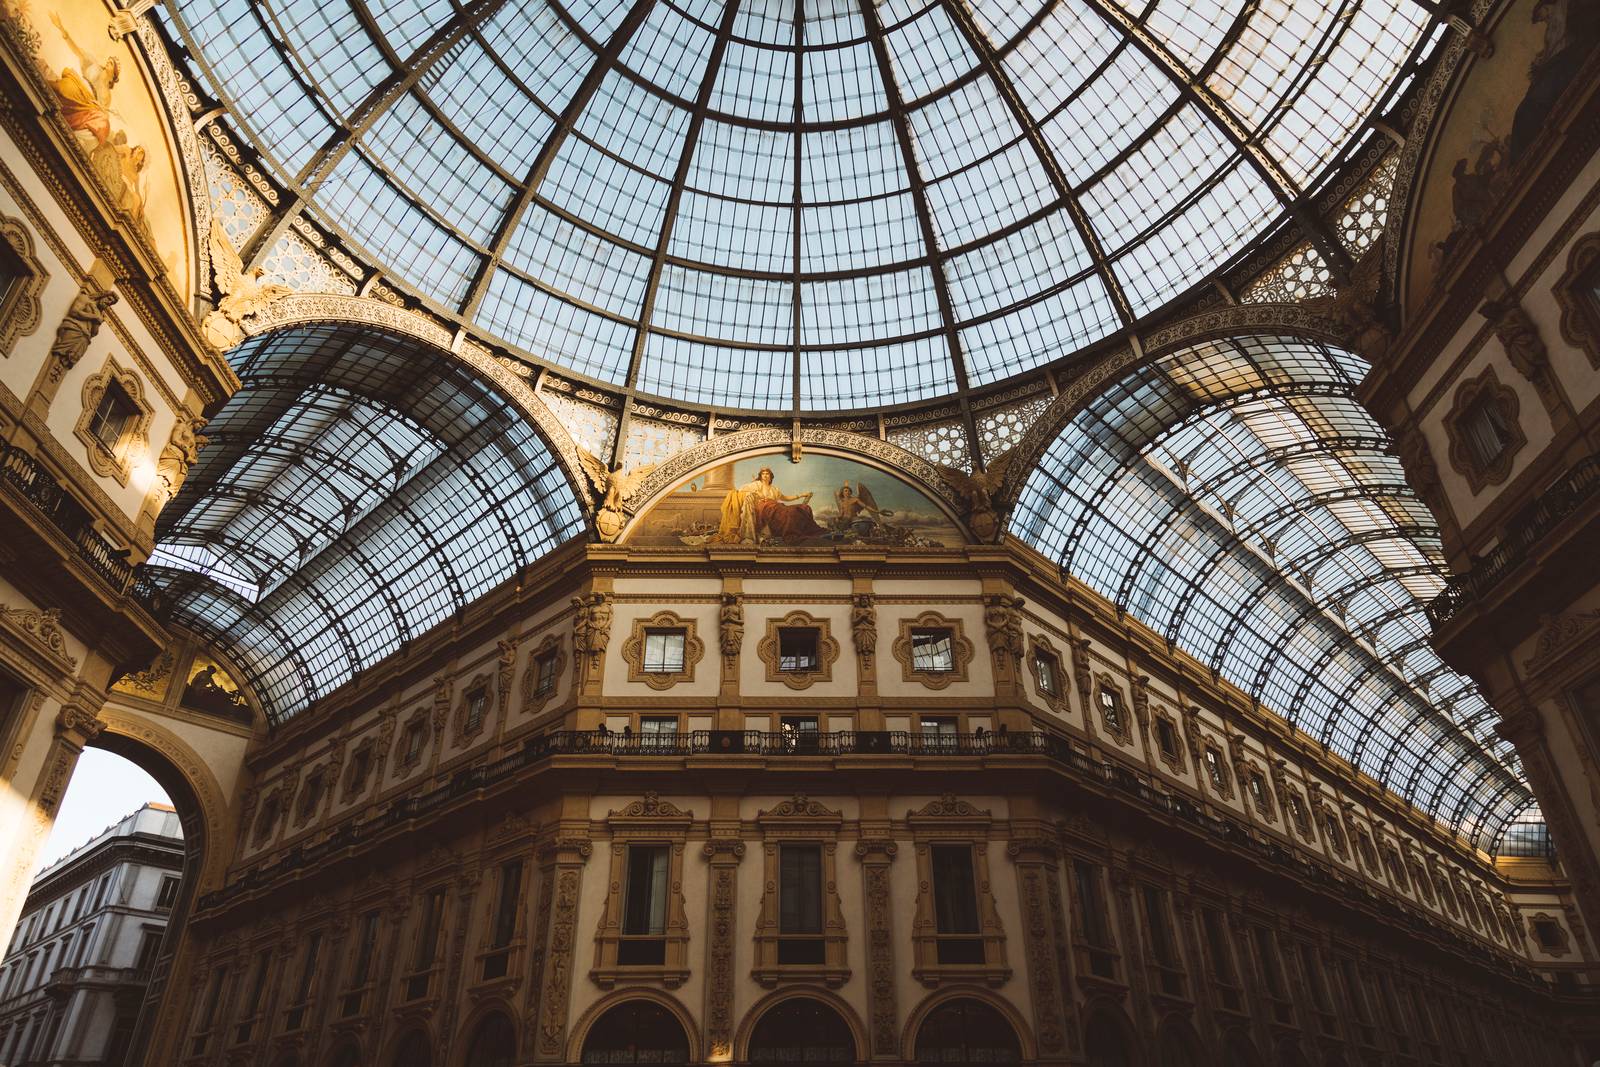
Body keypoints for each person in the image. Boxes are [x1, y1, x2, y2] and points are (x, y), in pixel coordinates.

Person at [714, 466, 825, 544]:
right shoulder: (757, 484)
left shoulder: (774, 489)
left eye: (767, 474)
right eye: (763, 474)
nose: (765, 476)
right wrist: (753, 492)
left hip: (775, 506)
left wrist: (801, 495)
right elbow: (741, 490)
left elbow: (785, 498)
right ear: (760, 476)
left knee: (800, 509)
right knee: (782, 511)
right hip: (764, 508)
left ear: (771, 476)